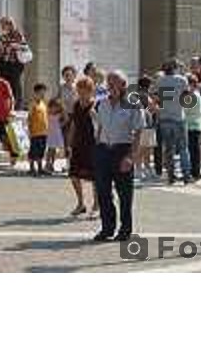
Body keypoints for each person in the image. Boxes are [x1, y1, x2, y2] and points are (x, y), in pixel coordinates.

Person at [93, 70, 144, 242]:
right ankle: (107, 228)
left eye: (115, 83)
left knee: (124, 194)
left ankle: (125, 229)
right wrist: (97, 149)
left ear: (124, 85)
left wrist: (131, 157)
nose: (111, 86)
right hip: (103, 150)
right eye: (109, 83)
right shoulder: (102, 104)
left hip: (122, 150)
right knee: (103, 192)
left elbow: (138, 132)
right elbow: (99, 127)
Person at [66, 76, 99, 217]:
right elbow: (73, 124)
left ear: (91, 91)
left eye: (83, 91)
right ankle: (81, 203)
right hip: (78, 144)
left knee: (94, 177)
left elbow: (101, 124)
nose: (80, 94)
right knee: (73, 175)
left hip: (93, 145)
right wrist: (69, 142)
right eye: (79, 91)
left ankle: (97, 205)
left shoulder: (97, 105)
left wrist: (95, 116)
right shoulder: (76, 105)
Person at [156, 59, 192, 184]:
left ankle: (171, 176)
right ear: (175, 68)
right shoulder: (182, 80)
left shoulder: (160, 81)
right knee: (183, 148)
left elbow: (157, 98)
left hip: (164, 117)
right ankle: (186, 175)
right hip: (178, 117)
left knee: (168, 149)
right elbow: (187, 97)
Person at [0, 16, 27, 110]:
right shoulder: (2, 36)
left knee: (15, 84)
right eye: (1, 24)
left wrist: (14, 46)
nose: (2, 27)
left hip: (15, 63)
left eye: (3, 24)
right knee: (4, 83)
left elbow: (24, 47)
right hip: (4, 62)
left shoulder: (18, 34)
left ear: (9, 24)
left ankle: (16, 106)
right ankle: (5, 104)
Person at [134, 75, 158, 181]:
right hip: (146, 125)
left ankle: (146, 169)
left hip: (147, 124)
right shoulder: (143, 95)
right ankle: (139, 169)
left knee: (147, 148)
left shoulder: (138, 95)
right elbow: (153, 108)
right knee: (143, 148)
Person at [27, 83, 48, 175]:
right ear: (35, 93)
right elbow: (29, 117)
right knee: (33, 150)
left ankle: (40, 167)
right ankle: (32, 167)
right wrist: (29, 130)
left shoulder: (43, 104)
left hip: (44, 131)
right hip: (35, 131)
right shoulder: (32, 104)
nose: (42, 95)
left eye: (43, 93)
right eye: (40, 93)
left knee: (41, 150)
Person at [184, 74, 201, 181]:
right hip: (195, 125)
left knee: (193, 150)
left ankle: (194, 173)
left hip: (191, 125)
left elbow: (185, 110)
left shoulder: (192, 96)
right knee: (194, 150)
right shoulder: (197, 94)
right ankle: (194, 172)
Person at [45, 97, 66, 173]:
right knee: (50, 149)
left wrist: (60, 125)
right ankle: (47, 163)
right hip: (50, 133)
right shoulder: (47, 113)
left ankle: (52, 164)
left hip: (57, 132)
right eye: (53, 106)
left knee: (55, 150)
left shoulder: (59, 114)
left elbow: (65, 119)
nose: (54, 108)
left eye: (56, 106)